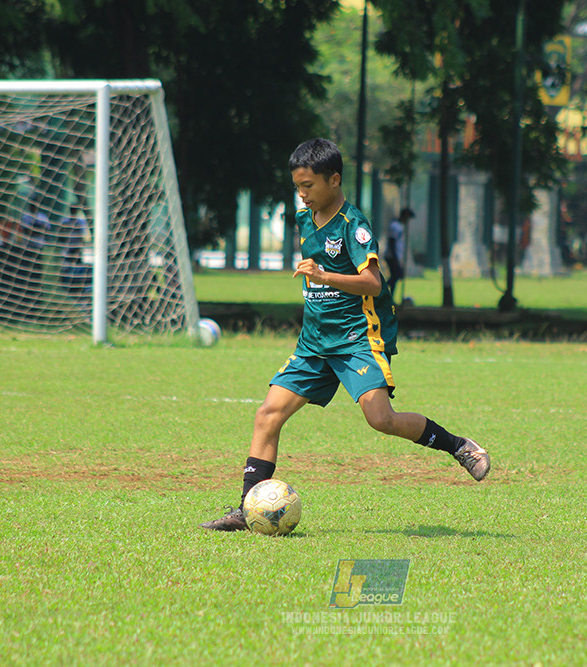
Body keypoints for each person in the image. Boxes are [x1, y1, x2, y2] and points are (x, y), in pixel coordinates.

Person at [202, 138, 490, 532]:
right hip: (315, 341)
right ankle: (247, 508)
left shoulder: (354, 226)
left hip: (357, 338)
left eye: (308, 186)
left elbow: (372, 282)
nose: (302, 194)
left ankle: (459, 446)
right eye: (298, 187)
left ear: (334, 180)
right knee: (268, 414)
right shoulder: (306, 218)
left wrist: (323, 277)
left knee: (381, 419)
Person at [384, 207, 413, 295]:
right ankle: (382, 290)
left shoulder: (399, 226)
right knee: (396, 275)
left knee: (395, 276)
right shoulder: (395, 226)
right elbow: (392, 241)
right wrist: (395, 257)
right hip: (392, 256)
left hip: (395, 256)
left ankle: (390, 296)